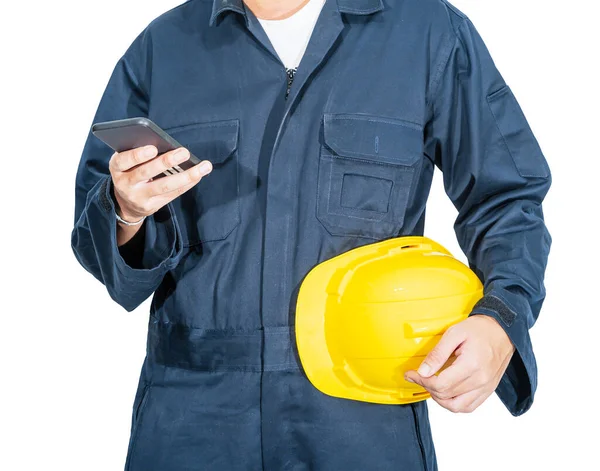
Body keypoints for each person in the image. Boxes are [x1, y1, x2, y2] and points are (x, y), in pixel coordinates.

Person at [71, 0, 552, 469]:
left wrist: (499, 319)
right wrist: (126, 210)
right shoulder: (162, 49)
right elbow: (102, 241)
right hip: (193, 416)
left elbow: (506, 196)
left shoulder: (428, 33)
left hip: (361, 413)